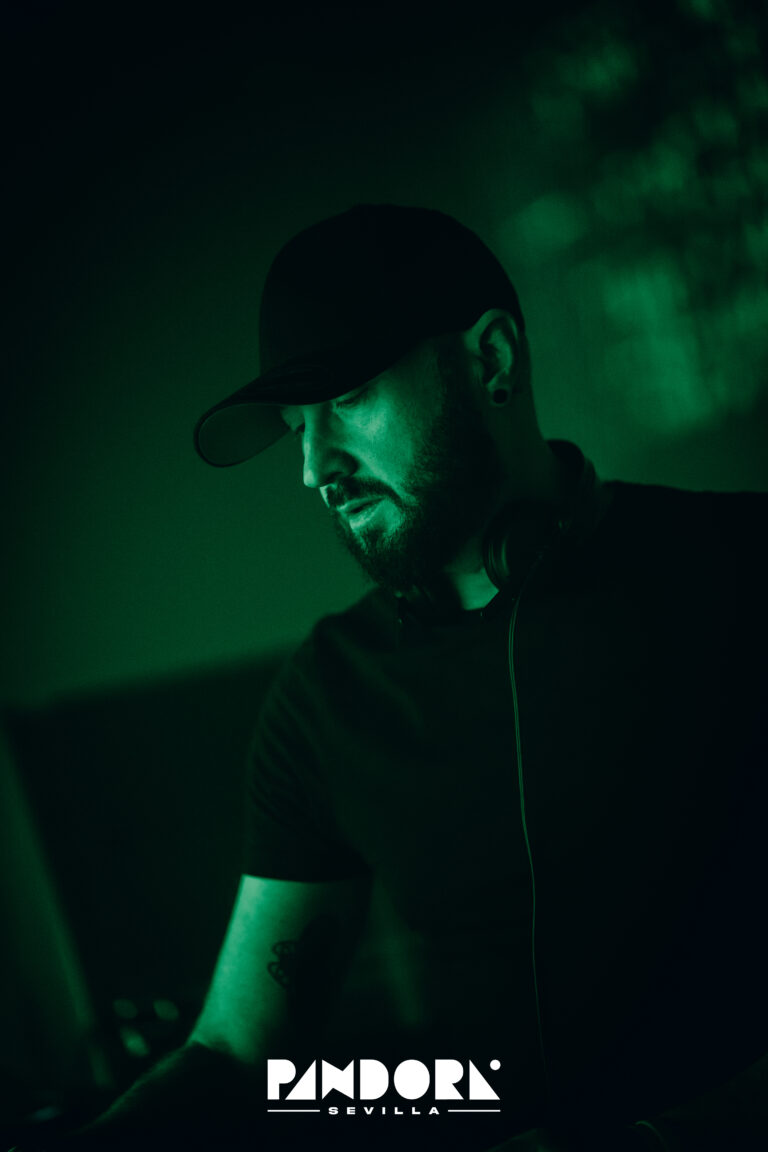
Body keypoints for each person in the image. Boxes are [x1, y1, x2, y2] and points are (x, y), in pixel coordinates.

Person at [13, 205, 767, 1151]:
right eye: (298, 426)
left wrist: (660, 1137)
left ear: (492, 360)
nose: (313, 467)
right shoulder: (326, 700)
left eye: (348, 398)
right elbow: (243, 1058)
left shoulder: (741, 569)